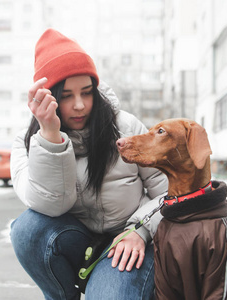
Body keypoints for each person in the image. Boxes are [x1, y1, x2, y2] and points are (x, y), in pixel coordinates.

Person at [10, 28, 167, 300]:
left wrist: (140, 231)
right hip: (76, 240)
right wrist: (51, 137)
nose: (80, 105)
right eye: (67, 95)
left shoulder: (126, 127)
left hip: (126, 239)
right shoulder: (29, 142)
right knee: (26, 230)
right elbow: (50, 205)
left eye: (86, 92)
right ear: (49, 97)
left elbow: (169, 191)